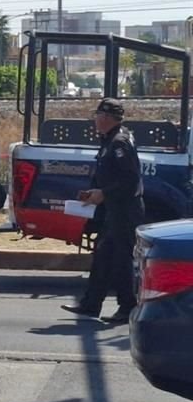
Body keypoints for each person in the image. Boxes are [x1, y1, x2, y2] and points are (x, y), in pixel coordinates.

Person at [61, 98, 144, 325]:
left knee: (120, 259)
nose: (94, 119)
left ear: (106, 117)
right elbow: (111, 176)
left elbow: (130, 180)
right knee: (103, 256)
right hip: (114, 209)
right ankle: (91, 304)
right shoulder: (110, 139)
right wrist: (94, 192)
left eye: (97, 115)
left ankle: (127, 307)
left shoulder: (119, 143)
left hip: (125, 210)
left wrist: (104, 194)